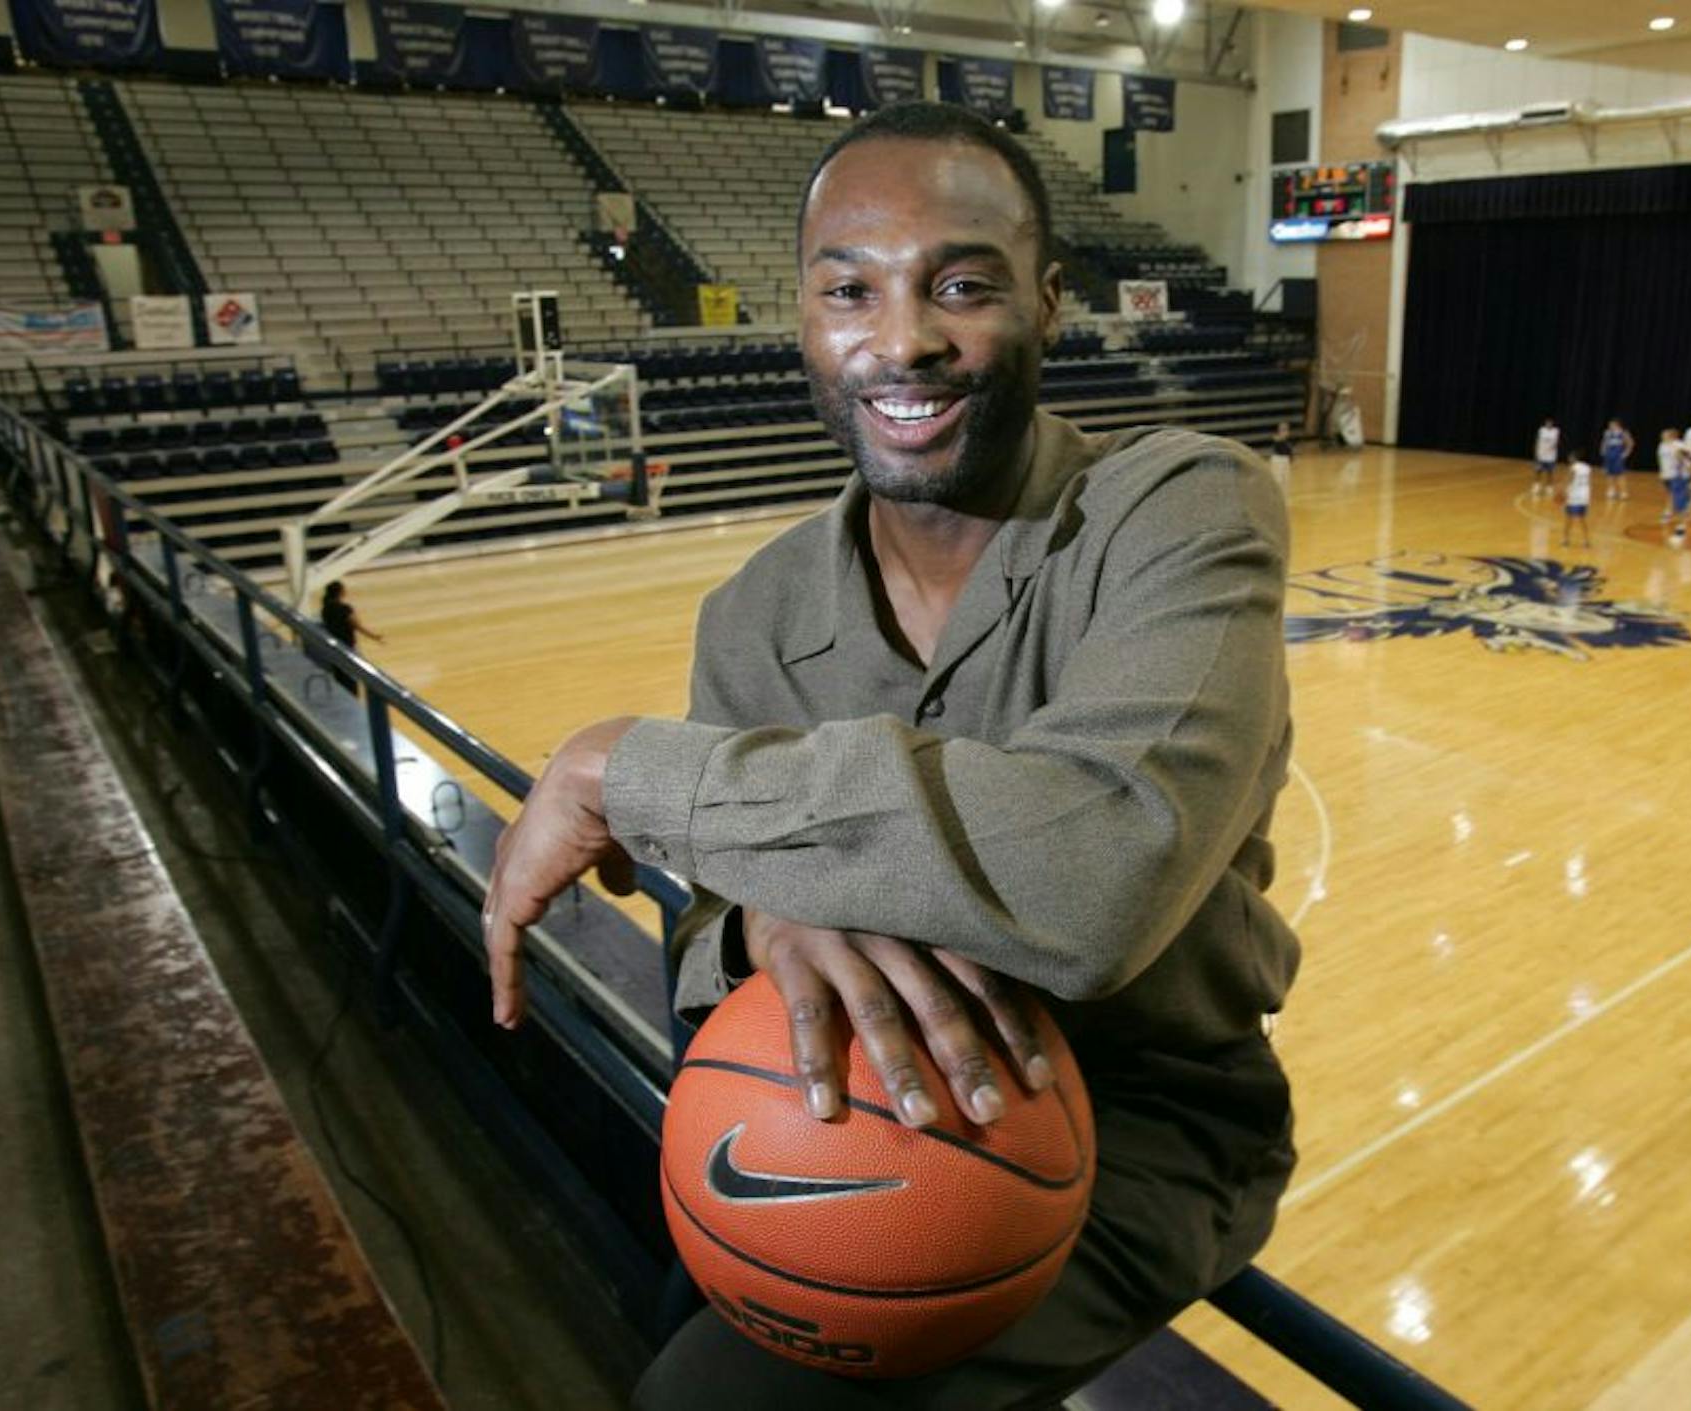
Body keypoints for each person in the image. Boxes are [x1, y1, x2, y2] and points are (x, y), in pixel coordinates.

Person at [478, 102, 1297, 1411]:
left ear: (1048, 301)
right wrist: (768, 928)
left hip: (1136, 1111)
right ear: (803, 319)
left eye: (961, 286)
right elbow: (713, 927)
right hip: (849, 1079)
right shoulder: (753, 612)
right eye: (849, 290)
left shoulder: (1182, 507)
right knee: (692, 1303)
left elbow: (1096, 874)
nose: (902, 340)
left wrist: (619, 766)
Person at [318, 580, 384, 691]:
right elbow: (357, 626)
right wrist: (374, 636)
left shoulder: (325, 608)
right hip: (347, 645)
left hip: (334, 645)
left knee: (339, 674)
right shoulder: (345, 608)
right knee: (350, 676)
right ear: (340, 592)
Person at [1656, 427, 1687, 536]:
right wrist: (1661, 472)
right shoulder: (1661, 446)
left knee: (1678, 498)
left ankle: (1681, 524)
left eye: (1664, 434)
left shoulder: (1678, 445)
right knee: (1670, 494)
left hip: (1677, 475)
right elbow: (1661, 460)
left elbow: (1687, 455)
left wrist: (1682, 459)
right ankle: (1669, 512)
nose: (1662, 436)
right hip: (1666, 475)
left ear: (1671, 436)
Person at [1561, 453, 1594, 548]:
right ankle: (1586, 541)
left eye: (1571, 457)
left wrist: (1563, 491)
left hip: (1574, 496)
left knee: (1568, 519)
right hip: (1584, 496)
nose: (1569, 459)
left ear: (1575, 458)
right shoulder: (1588, 468)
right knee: (1582, 519)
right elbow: (1589, 483)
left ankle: (1565, 540)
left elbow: (1569, 480)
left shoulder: (1573, 467)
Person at [1600, 418, 1633, 502]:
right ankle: (1611, 490)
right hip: (1609, 456)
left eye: (1612, 425)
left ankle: (1623, 492)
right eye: (1610, 425)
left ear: (1617, 425)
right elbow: (1604, 442)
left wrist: (1626, 453)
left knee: (1620, 475)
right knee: (1609, 474)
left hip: (1618, 456)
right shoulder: (1607, 433)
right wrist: (1603, 450)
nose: (1610, 426)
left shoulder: (1623, 433)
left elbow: (1630, 443)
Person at [1532, 417, 1560, 497]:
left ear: (1552, 423)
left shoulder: (1556, 431)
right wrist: (1536, 452)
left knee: (1550, 472)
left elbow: (1556, 442)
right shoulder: (1541, 430)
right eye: (1547, 423)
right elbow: (1537, 441)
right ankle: (1536, 486)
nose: (1549, 424)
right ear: (1545, 423)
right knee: (1538, 471)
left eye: (1550, 423)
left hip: (1551, 456)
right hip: (1541, 455)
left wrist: (1551, 448)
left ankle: (1549, 487)